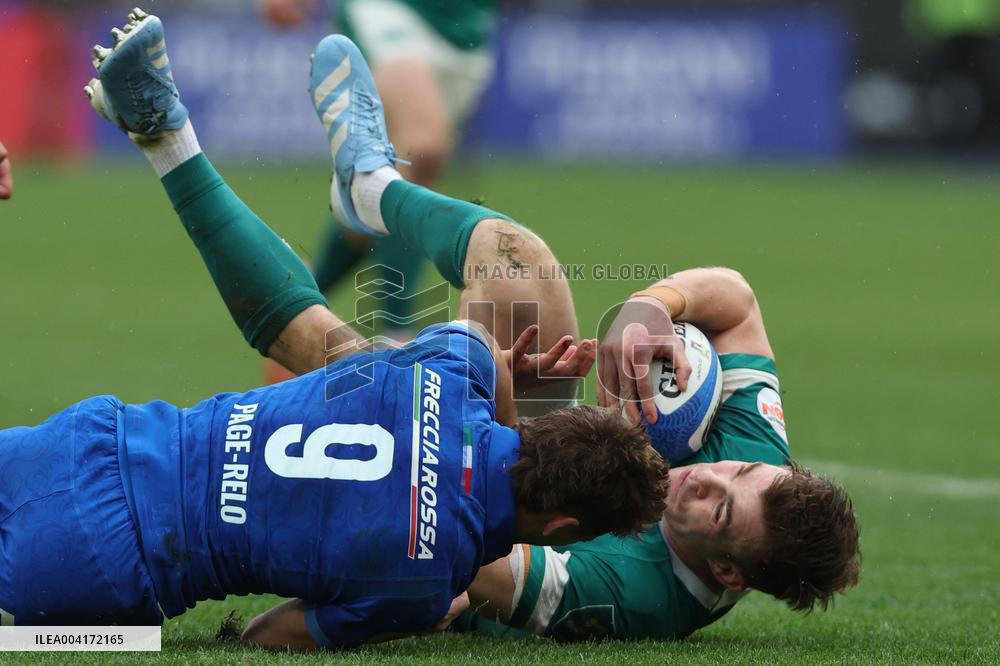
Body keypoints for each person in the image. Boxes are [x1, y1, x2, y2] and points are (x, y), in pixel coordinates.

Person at [0, 10, 672, 646]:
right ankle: (310, 175)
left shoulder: (456, 376)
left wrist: (495, 402)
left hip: (107, 441)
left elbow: (485, 353)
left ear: (542, 428)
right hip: (111, 573)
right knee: (104, 636)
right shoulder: (424, 589)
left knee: (381, 345)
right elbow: (269, 636)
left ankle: (339, 182)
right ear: (561, 528)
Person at [456, 275, 861, 641]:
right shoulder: (764, 468)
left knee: (513, 282)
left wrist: (492, 396)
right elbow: (739, 305)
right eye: (739, 470)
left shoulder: (633, 593)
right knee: (520, 272)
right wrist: (652, 305)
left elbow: (452, 541)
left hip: (441, 487)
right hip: (491, 438)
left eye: (720, 510)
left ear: (726, 572)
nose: (707, 477)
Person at [260, 0, 499, 345]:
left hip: (467, 31)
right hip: (389, 11)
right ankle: (397, 335)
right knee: (420, 150)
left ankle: (296, 301)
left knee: (375, 200)